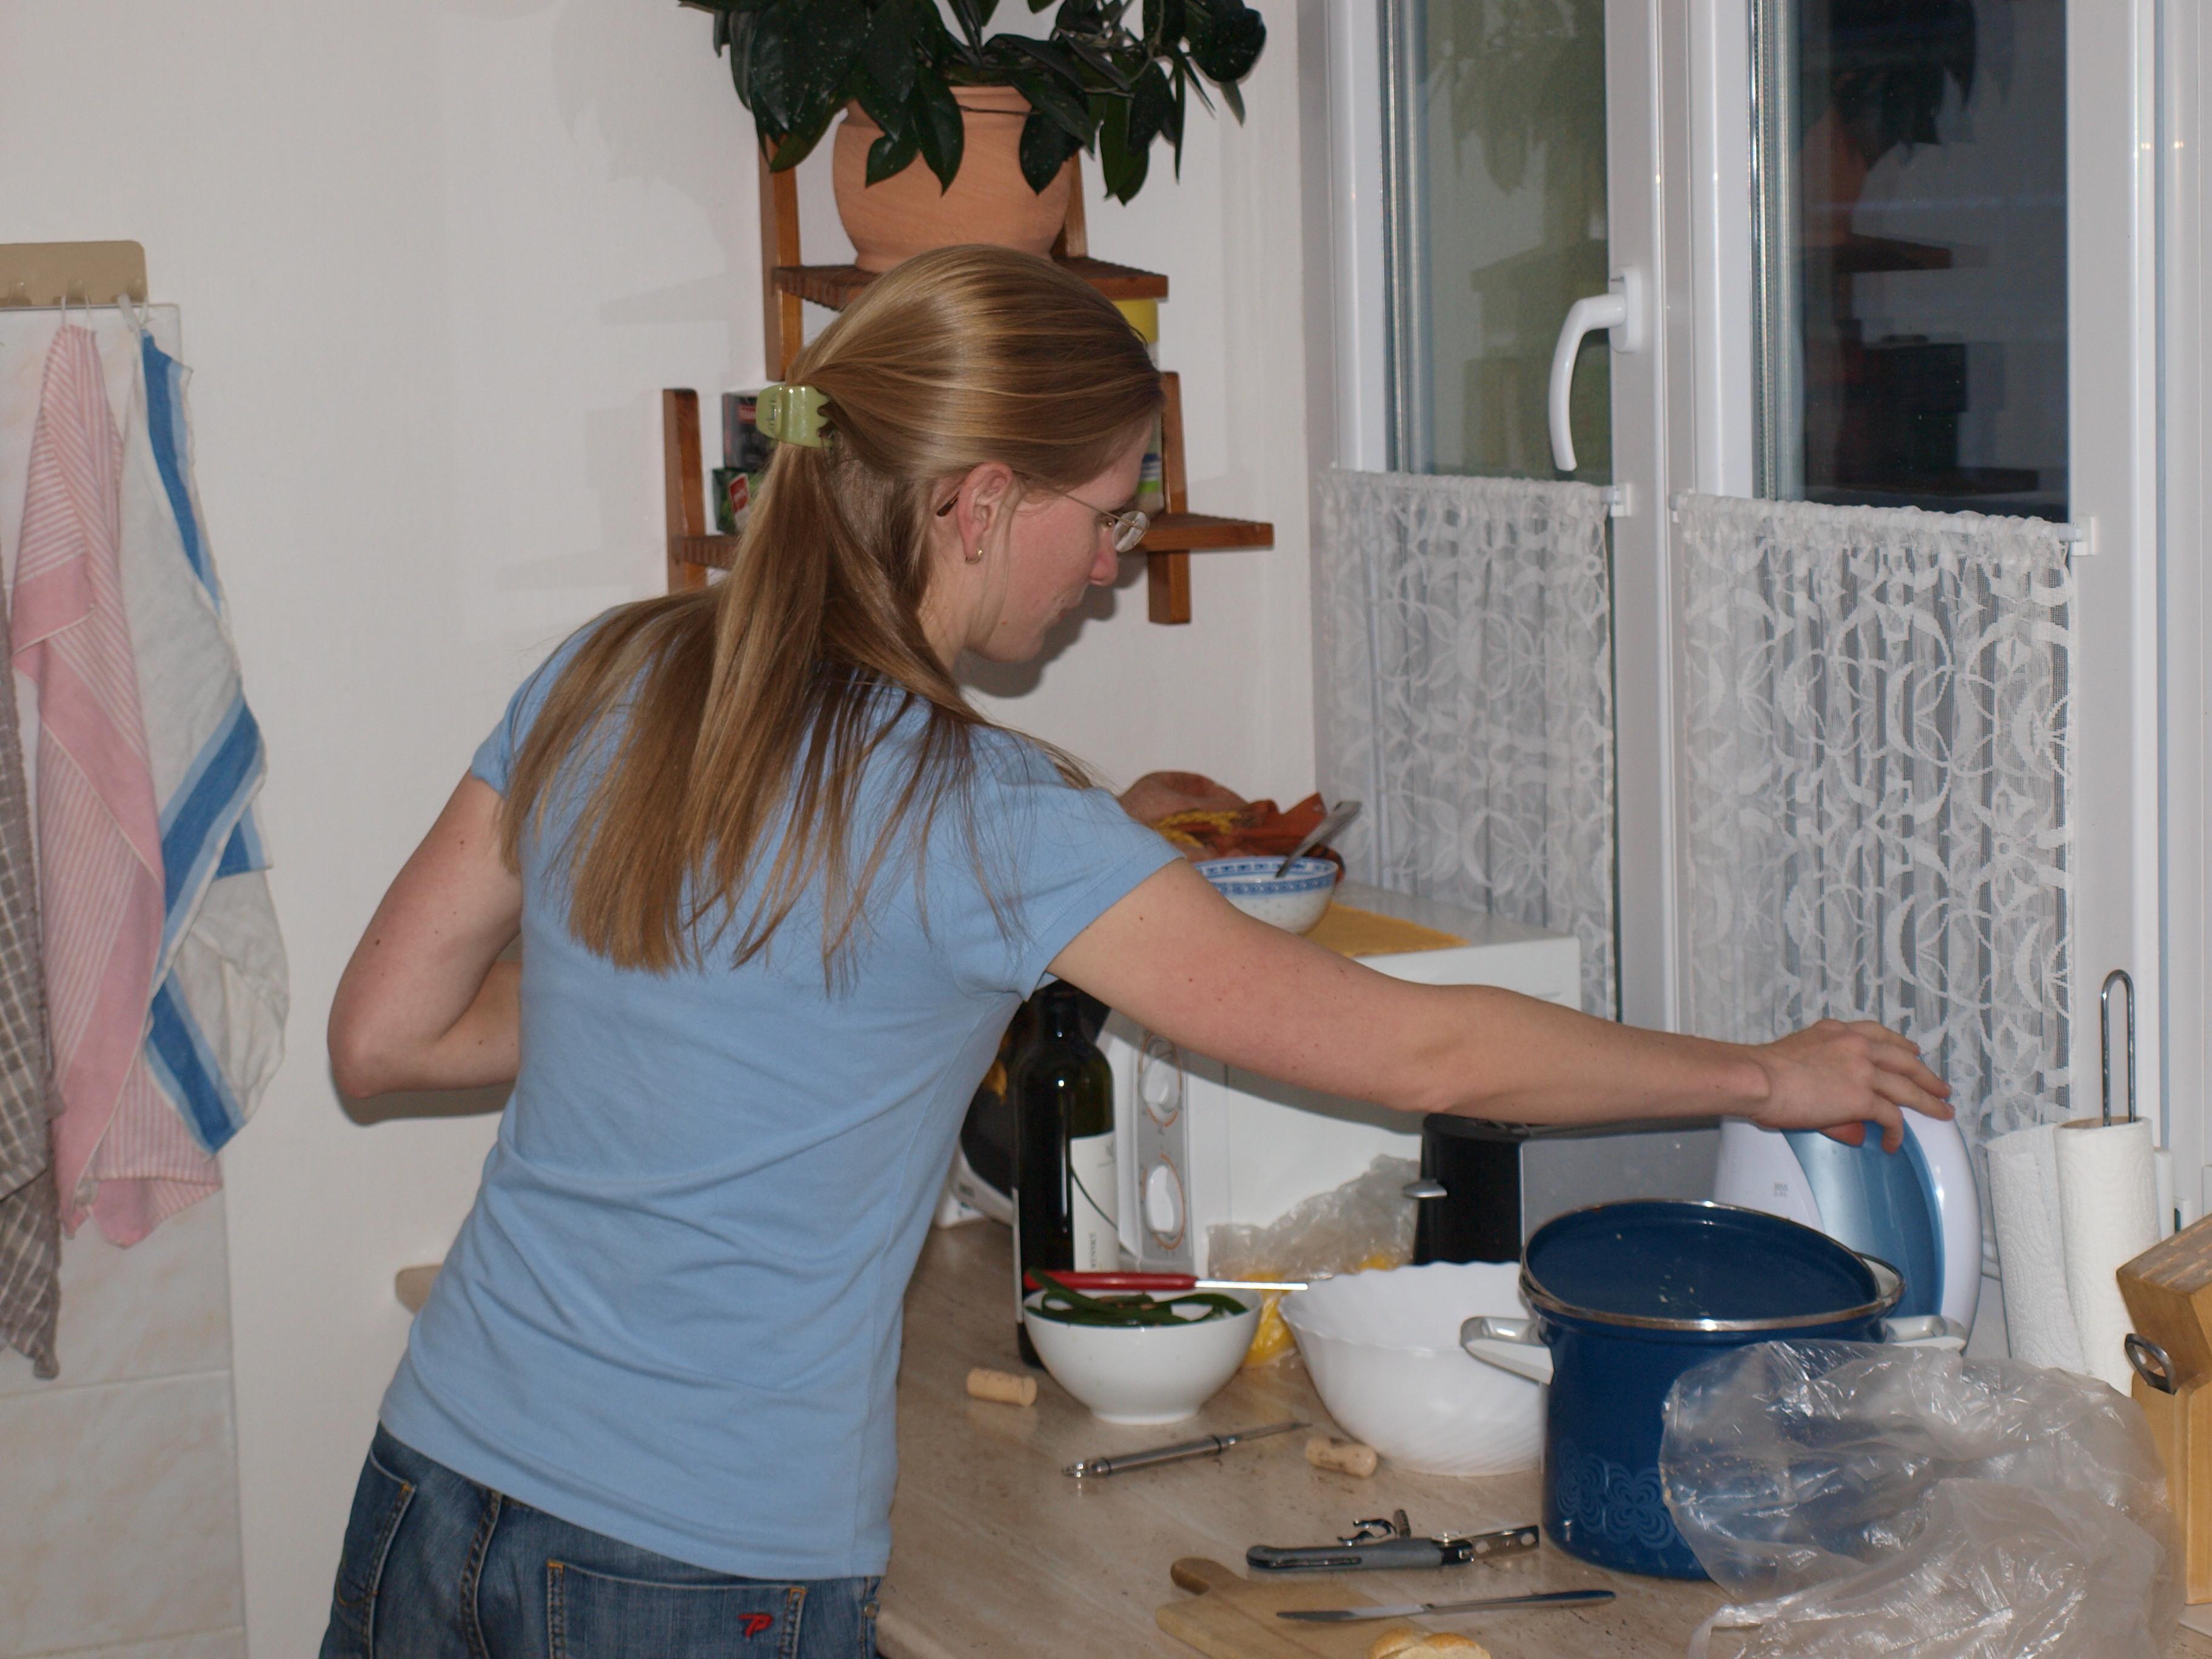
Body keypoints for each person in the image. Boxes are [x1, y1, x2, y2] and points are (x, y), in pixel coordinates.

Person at [320, 245, 1950, 1657]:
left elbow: (388, 1038)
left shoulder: (609, 674)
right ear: (980, 502)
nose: (1113, 561)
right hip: (696, 1561)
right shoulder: (987, 820)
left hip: (434, 1482)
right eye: (1105, 513)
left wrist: (683, 1010)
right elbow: (1425, 1050)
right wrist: (1764, 1075)